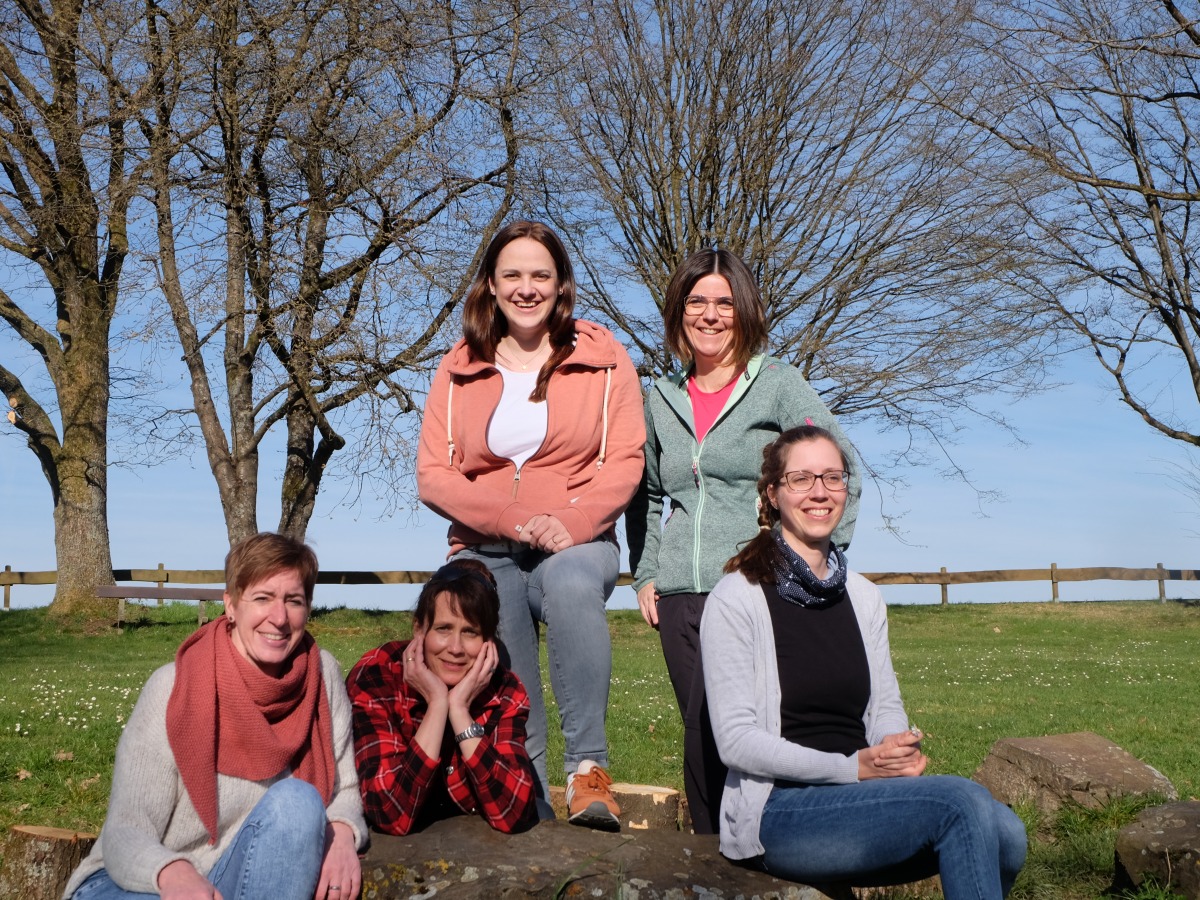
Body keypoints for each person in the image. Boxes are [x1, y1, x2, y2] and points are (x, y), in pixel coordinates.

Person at [701, 426, 1026, 896]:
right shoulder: (739, 596)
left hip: (860, 797)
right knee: (960, 802)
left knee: (1008, 833)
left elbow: (884, 705)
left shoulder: (864, 597)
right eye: (801, 479)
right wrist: (851, 767)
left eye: (832, 478)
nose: (819, 492)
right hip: (781, 811)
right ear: (772, 494)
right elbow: (736, 742)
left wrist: (893, 748)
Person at [416, 220, 645, 831]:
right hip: (484, 547)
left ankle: (589, 774)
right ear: (490, 285)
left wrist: (571, 522)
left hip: (575, 542)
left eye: (540, 274)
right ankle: (529, 792)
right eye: (512, 274)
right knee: (504, 660)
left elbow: (626, 460)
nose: (526, 287)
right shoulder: (458, 367)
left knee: (571, 586)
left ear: (560, 284)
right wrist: (513, 518)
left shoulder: (603, 359)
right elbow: (434, 476)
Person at [626, 248, 861, 834]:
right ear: (679, 312)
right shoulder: (658, 397)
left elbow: (841, 464)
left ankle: (788, 847)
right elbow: (649, 495)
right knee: (701, 730)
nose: (710, 314)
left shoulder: (778, 385)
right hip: (681, 593)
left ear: (744, 310)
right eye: (697, 301)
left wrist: (825, 556)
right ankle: (712, 864)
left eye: (724, 303)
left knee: (755, 730)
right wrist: (647, 572)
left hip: (758, 586)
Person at [64, 533, 367, 900]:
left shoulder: (322, 675)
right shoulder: (175, 687)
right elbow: (126, 833)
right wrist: (173, 872)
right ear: (231, 605)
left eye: (294, 600)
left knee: (300, 802)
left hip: (240, 877)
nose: (279, 618)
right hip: (140, 882)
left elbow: (344, 791)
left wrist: (340, 835)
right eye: (262, 598)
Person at [345, 559, 538, 835]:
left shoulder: (505, 692)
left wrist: (458, 709)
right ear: (419, 630)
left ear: (488, 642)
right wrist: (438, 705)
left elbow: (514, 813)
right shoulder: (378, 676)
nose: (456, 648)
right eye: (443, 629)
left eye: (470, 632)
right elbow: (389, 812)